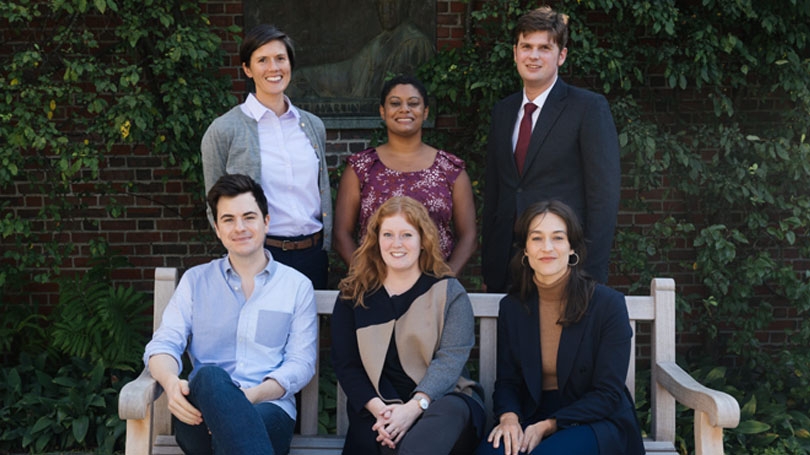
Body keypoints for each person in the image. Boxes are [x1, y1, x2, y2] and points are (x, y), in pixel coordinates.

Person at [144, 174, 318, 455]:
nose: (240, 227)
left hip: (268, 408)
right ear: (217, 228)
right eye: (228, 219)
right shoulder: (195, 281)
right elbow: (165, 344)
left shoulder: (296, 286)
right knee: (210, 376)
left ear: (267, 222)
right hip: (200, 412)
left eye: (249, 217)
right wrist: (171, 383)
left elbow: (301, 363)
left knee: (242, 428)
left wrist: (246, 399)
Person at [477, 200, 644, 455]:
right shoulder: (513, 307)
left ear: (571, 247)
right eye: (536, 238)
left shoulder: (607, 305)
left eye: (557, 238)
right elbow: (508, 381)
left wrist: (550, 425)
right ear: (525, 250)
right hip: (533, 413)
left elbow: (608, 393)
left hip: (594, 419)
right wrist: (509, 418)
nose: (547, 248)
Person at [331, 196, 485, 454]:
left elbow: (450, 360)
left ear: (423, 241)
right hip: (378, 409)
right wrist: (384, 413)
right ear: (376, 240)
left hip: (439, 403)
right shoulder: (353, 295)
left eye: (407, 235)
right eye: (388, 234)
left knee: (437, 425)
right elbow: (347, 365)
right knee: (388, 441)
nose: (397, 244)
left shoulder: (449, 292)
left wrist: (414, 407)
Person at [482, 6, 620, 291]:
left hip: (564, 265)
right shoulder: (502, 112)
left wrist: (589, 272)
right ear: (515, 52)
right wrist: (489, 267)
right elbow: (496, 192)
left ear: (562, 55)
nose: (533, 56)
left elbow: (603, 198)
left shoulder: (588, 108)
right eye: (526, 46)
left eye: (544, 47)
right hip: (507, 267)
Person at [202, 24, 332, 289]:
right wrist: (242, 251)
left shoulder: (312, 125)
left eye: (280, 59)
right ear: (247, 69)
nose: (274, 68)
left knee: (309, 331)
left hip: (312, 254)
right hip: (259, 255)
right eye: (262, 60)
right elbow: (213, 205)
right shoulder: (224, 130)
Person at [333, 75, 477, 276]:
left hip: (433, 288)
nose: (404, 109)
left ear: (425, 112)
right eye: (395, 103)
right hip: (376, 287)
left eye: (413, 103)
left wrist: (444, 281)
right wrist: (366, 277)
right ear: (383, 112)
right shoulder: (362, 168)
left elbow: (469, 237)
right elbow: (341, 234)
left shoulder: (450, 170)